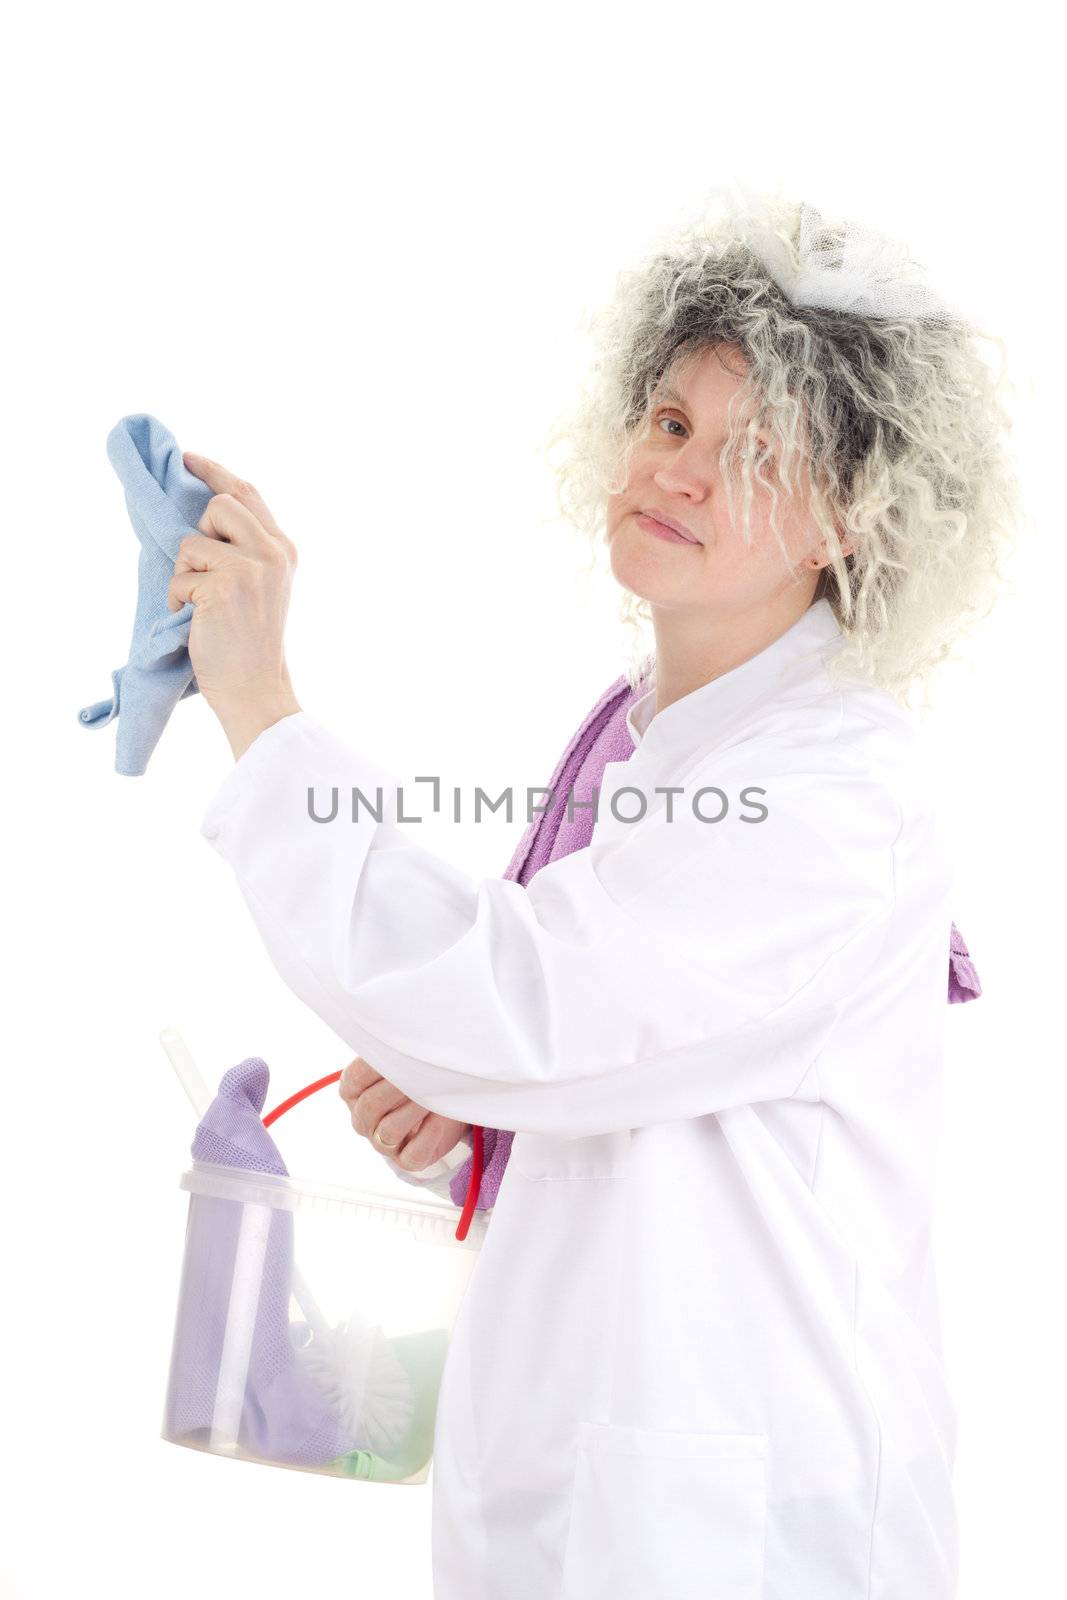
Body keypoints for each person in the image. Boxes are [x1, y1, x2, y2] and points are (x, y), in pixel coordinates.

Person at [174, 193, 1022, 1599]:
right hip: (585, 1497)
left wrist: (258, 701)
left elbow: (528, 1002)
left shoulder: (834, 790)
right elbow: (627, 1062)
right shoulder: (644, 737)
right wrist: (473, 1129)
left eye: (757, 456)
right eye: (675, 423)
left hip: (745, 1536)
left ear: (850, 523)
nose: (679, 473)